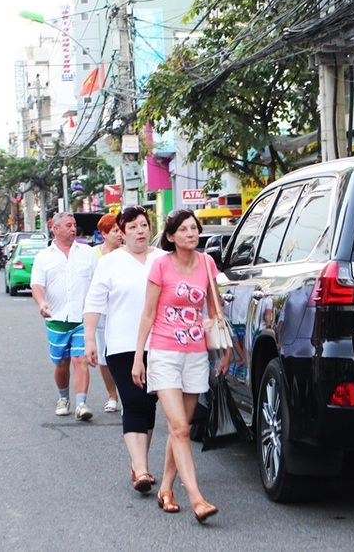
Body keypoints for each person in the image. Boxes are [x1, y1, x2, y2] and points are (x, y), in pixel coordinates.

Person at [133, 209, 230, 523]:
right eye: (184, 230)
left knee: (181, 429)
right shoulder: (161, 264)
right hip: (164, 353)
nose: (191, 234)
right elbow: (148, 313)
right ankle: (197, 499)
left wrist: (225, 348)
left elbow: (214, 308)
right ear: (171, 236)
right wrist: (138, 356)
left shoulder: (207, 263)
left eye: (194, 228)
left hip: (196, 355)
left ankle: (166, 488)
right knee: (180, 428)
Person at [84, 207, 166, 493]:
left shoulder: (162, 258)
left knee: (149, 403)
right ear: (122, 232)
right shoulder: (110, 262)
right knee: (133, 401)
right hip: (122, 345)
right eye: (132, 227)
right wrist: (90, 339)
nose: (140, 231)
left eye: (143, 225)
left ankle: (139, 463)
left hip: (160, 343)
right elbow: (94, 302)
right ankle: (141, 470)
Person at [31, 212, 98, 420]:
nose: (73, 229)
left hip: (82, 318)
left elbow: (98, 283)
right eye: (68, 225)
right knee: (61, 363)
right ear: (56, 229)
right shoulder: (44, 257)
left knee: (80, 359)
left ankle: (81, 404)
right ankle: (63, 398)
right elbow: (37, 285)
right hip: (56, 319)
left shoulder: (87, 253)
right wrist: (41, 303)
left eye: (74, 225)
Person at [91, 213, 126, 413]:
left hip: (123, 313)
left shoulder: (128, 253)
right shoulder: (93, 255)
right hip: (102, 314)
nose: (120, 234)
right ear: (104, 234)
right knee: (104, 358)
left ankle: (127, 396)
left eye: (121, 231)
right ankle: (112, 395)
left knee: (125, 355)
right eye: (115, 231)